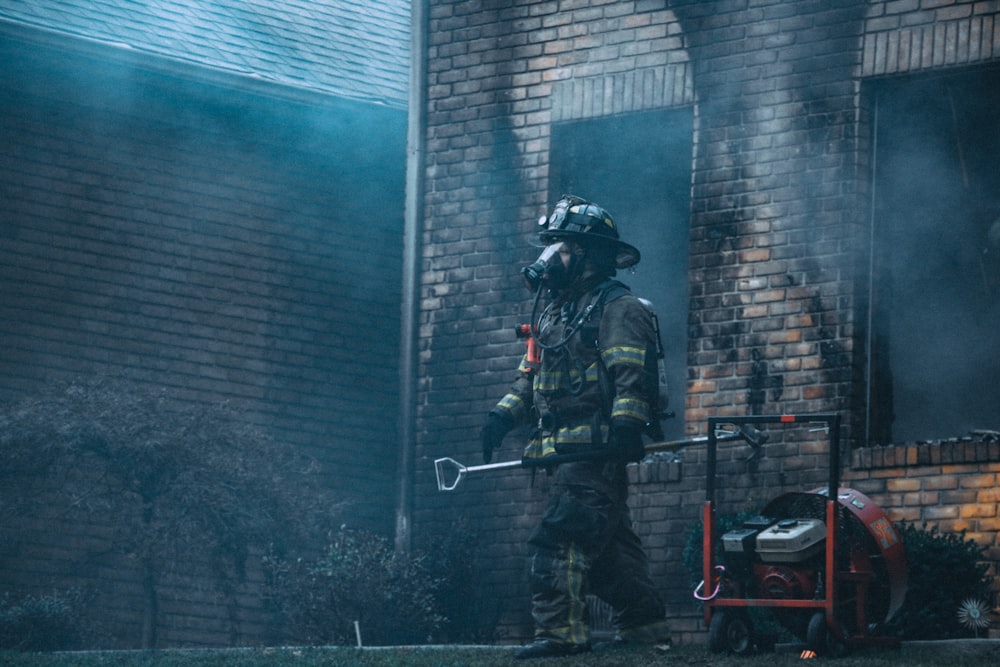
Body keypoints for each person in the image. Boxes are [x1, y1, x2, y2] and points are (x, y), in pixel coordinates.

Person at [481, 195, 672, 659]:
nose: (549, 258)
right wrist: (501, 416)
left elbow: (632, 375)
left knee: (558, 541)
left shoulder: (619, 308)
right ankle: (645, 628)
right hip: (562, 455)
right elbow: (530, 378)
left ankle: (561, 635)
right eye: (550, 247)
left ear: (588, 254)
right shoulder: (554, 313)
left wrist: (627, 428)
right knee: (610, 557)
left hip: (595, 453)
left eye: (561, 248)